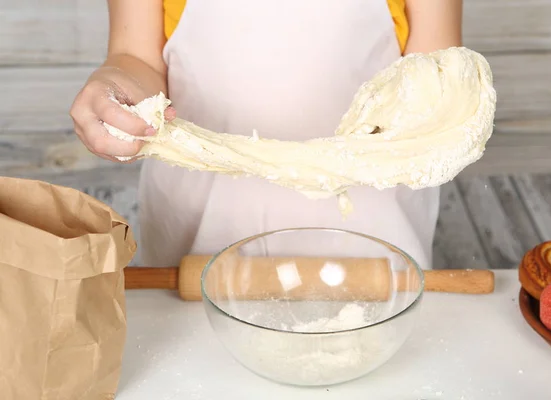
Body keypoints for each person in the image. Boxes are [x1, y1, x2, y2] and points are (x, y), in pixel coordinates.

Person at [70, 0, 462, 269]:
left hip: (377, 238)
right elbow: (135, 58)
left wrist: (447, 109)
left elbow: (436, 74)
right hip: (198, 239)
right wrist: (115, 85)